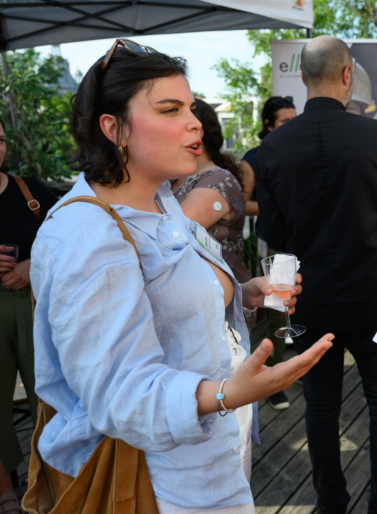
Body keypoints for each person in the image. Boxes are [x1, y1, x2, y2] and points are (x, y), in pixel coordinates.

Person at [30, 41, 332, 513]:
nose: (194, 122)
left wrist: (244, 293)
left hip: (211, 462)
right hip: (154, 484)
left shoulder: (162, 201)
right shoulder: (86, 235)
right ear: (114, 128)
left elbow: (174, 299)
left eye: (190, 107)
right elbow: (119, 393)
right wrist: (229, 393)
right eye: (170, 109)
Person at [255, 35, 377, 514]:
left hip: (310, 299)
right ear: (348, 75)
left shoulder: (273, 147)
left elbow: (275, 233)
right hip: (374, 297)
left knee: (321, 408)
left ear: (302, 78)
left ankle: (330, 504)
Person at [0, 116, 58, 479]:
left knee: (49, 394)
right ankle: (4, 487)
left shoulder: (29, 190)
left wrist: (30, 264)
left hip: (35, 305)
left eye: (1, 138)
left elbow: (67, 238)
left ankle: (52, 477)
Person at [172, 99, 257, 327]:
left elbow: (171, 235)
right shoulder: (175, 177)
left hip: (222, 301)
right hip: (196, 299)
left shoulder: (217, 180)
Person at [239, 96, 297, 410]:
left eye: (294, 119)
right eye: (284, 121)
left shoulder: (301, 150)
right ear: (267, 125)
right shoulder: (253, 158)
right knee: (277, 309)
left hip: (307, 241)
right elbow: (242, 203)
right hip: (276, 244)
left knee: (304, 305)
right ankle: (272, 379)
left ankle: (298, 365)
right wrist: (276, 208)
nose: (292, 125)